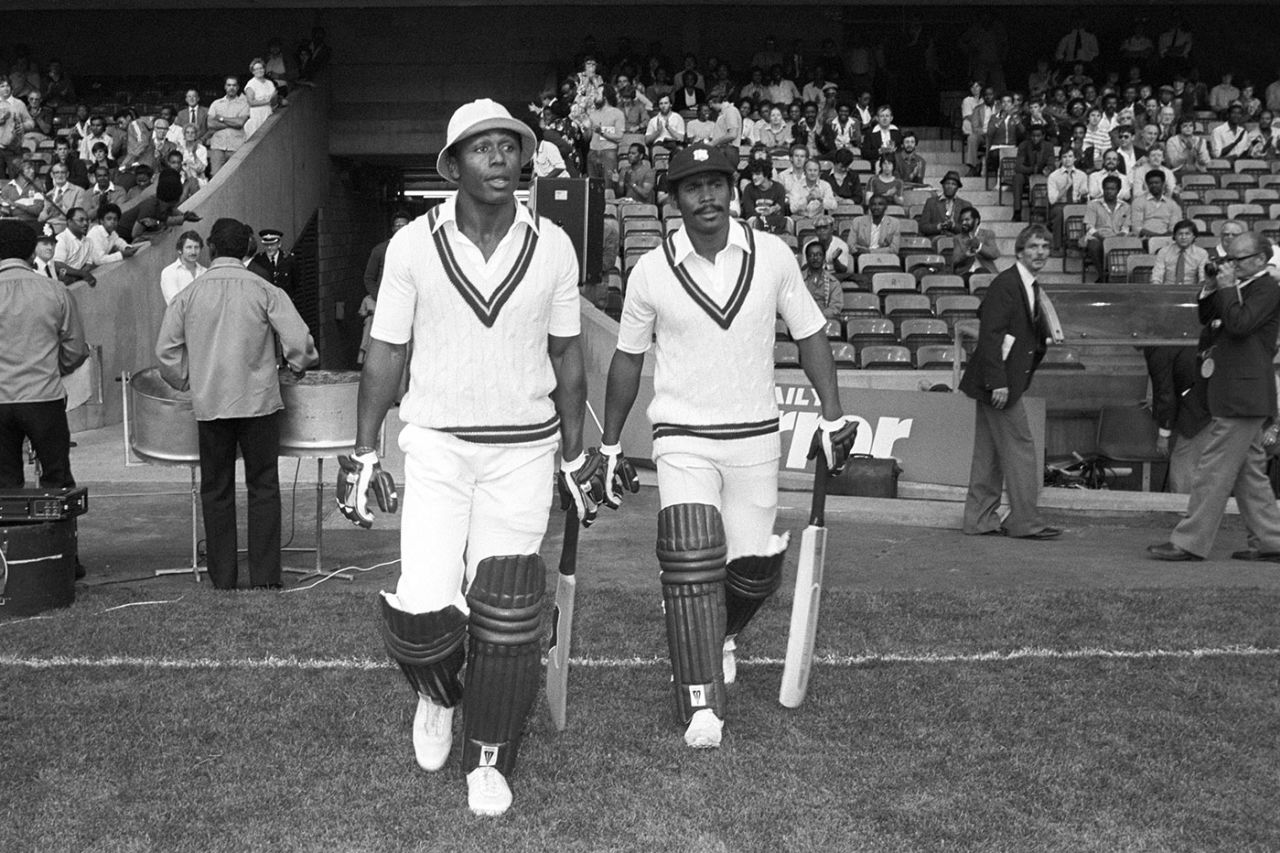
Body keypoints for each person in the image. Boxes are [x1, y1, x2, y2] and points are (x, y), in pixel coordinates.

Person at [343, 99, 605, 818]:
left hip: (523, 451)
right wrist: (365, 448)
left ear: (523, 160)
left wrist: (576, 453)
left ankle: (487, 756)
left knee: (506, 612)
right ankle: (437, 697)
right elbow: (385, 351)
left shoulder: (552, 245)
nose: (498, 158)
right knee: (425, 606)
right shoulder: (411, 246)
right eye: (481, 147)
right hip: (435, 443)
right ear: (453, 165)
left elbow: (566, 355)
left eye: (509, 146)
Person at [599, 143, 856, 751]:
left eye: (717, 184)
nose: (707, 197)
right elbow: (628, 359)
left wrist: (833, 413)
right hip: (682, 437)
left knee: (754, 568)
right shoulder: (651, 270)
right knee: (691, 558)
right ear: (676, 198)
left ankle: (714, 633)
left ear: (731, 189)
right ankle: (701, 703)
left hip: (755, 436)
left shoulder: (772, 256)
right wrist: (610, 442)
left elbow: (812, 332)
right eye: (693, 188)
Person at [155, 217, 318, 589]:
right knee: (263, 486)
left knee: (216, 489)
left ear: (210, 248)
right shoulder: (263, 289)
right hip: (258, 403)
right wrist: (298, 363)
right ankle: (264, 577)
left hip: (211, 404)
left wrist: (188, 380)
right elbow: (299, 341)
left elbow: (165, 351)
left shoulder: (189, 295)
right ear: (248, 247)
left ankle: (223, 578)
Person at [1148, 232, 1280, 561]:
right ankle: (1271, 541)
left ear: (1261, 260)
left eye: (1237, 259)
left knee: (1212, 470)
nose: (1229, 264)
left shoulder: (1267, 289)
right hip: (1235, 391)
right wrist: (1210, 286)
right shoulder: (1240, 286)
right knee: (1250, 476)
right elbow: (1209, 318)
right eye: (1227, 258)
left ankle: (1190, 542)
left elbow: (1239, 324)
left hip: (1243, 393)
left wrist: (1225, 287)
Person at [960, 224, 1063, 539]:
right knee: (1021, 448)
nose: (1040, 252)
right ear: (1019, 251)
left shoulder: (1026, 284)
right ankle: (1024, 521)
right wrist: (998, 383)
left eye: (1045, 246)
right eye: (1033, 247)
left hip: (998, 380)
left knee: (988, 455)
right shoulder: (1007, 284)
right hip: (998, 383)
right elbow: (990, 334)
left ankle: (979, 519)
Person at [0, 220, 89, 490]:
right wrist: (53, 367)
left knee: (3, 486)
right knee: (57, 480)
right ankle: (53, 532)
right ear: (31, 253)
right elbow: (75, 350)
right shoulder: (55, 291)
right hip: (43, 396)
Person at [1143, 345, 1210, 493]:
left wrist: (1164, 433)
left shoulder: (1158, 350)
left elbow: (1165, 392)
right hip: (1214, 402)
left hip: (1198, 408)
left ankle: (1183, 507)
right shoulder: (1177, 340)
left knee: (1182, 462)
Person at [362, 210, 412, 302]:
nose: (401, 229)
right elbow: (369, 278)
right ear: (393, 229)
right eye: (398, 226)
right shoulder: (380, 250)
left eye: (404, 226)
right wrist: (379, 297)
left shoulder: (417, 250)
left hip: (409, 300)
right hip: (386, 301)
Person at [207, 76, 250, 176]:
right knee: (215, 176)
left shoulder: (244, 104)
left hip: (236, 147)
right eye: (229, 85)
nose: (231, 87)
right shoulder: (216, 104)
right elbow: (210, 124)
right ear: (225, 87)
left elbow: (240, 123)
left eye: (234, 85)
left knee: (236, 176)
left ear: (238, 87)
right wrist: (232, 122)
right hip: (218, 146)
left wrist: (221, 119)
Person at [1012, 125, 1054, 222]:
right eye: (1033, 136)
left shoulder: (1048, 146)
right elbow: (1018, 166)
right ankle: (1017, 211)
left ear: (1043, 136)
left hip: (1042, 175)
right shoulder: (1023, 145)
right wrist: (1033, 169)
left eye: (1038, 136)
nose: (1035, 138)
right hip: (1027, 174)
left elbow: (1051, 163)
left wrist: (1048, 169)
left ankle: (1043, 212)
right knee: (1017, 177)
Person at [1151, 220, 1208, 287]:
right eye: (1180, 234)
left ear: (1194, 236)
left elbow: (1203, 278)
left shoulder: (1202, 254)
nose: (1183, 237)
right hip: (1167, 291)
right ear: (1174, 236)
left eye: (1187, 234)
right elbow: (1157, 275)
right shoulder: (1164, 252)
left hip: (1191, 292)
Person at [917, 170, 971, 237]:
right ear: (943, 185)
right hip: (936, 240)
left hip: (957, 242)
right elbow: (923, 227)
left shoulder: (965, 205)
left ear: (957, 188)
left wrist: (953, 226)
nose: (950, 186)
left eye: (953, 184)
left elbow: (968, 229)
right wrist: (938, 227)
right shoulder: (931, 202)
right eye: (947, 183)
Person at [951, 206, 1000, 278]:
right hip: (965, 273)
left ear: (976, 221)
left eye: (967, 220)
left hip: (986, 272)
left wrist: (979, 246)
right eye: (962, 221)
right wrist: (965, 255)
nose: (964, 223)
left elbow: (995, 254)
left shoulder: (987, 234)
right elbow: (955, 261)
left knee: (982, 272)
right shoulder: (958, 238)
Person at [249, 228, 297, 302]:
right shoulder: (258, 260)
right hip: (266, 301)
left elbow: (295, 282)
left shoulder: (289, 259)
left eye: (272, 245)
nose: (269, 248)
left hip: (284, 301)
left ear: (279, 244)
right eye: (266, 245)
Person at [160, 230, 207, 305]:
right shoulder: (169, 272)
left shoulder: (205, 272)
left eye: (196, 247)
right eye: (189, 247)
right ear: (180, 250)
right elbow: (175, 304)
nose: (193, 252)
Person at [801, 239, 844, 319]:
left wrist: (817, 317)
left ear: (824, 258)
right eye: (811, 255)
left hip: (825, 322)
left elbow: (835, 308)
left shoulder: (833, 282)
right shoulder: (798, 280)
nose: (815, 258)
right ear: (806, 258)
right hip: (802, 321)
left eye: (819, 255)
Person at [243, 58, 278, 138]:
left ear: (264, 69)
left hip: (269, 112)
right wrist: (267, 101)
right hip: (257, 115)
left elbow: (274, 96)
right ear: (253, 71)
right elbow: (251, 102)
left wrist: (273, 101)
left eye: (261, 68)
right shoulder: (251, 84)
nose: (259, 71)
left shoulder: (269, 83)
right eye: (256, 69)